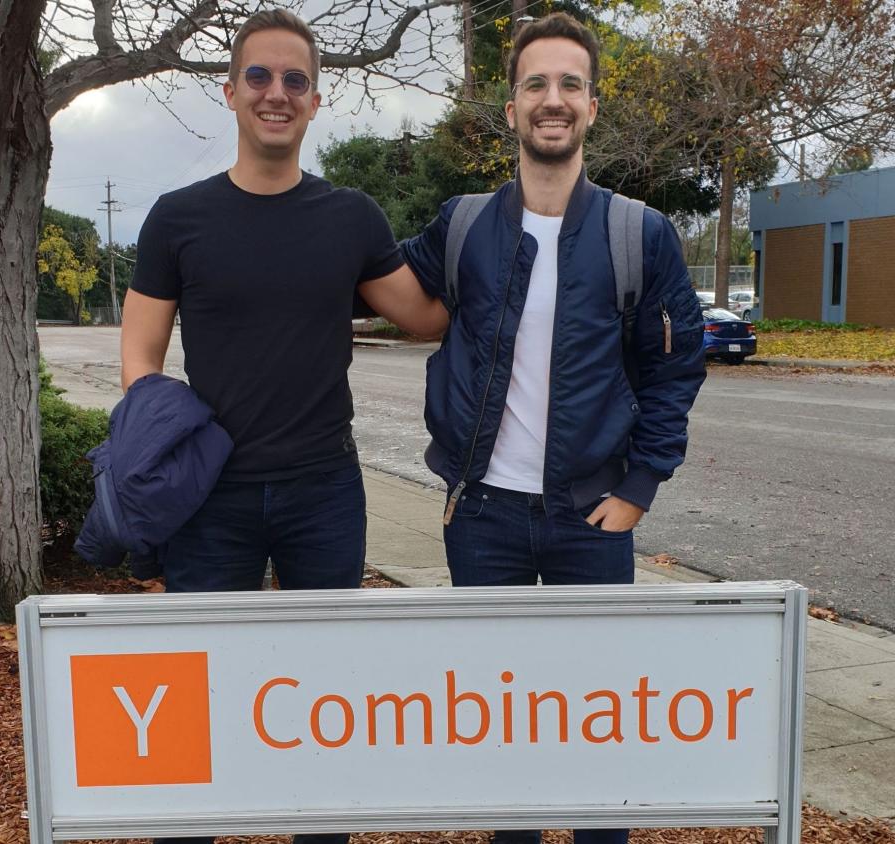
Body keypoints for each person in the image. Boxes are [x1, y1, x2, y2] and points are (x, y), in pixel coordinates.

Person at [120, 9, 447, 844]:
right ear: (230, 92)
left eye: (294, 80)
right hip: (210, 496)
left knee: (324, 702)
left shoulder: (352, 218)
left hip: (322, 492)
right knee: (201, 701)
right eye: (259, 77)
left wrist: (513, 243)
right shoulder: (176, 218)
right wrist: (157, 461)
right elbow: (140, 358)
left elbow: (425, 317)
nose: (276, 93)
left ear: (315, 100)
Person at [401, 13, 707, 844]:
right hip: (486, 524)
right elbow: (376, 280)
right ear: (510, 109)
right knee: (507, 744)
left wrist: (640, 486)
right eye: (536, 83)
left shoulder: (638, 233)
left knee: (597, 742)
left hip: (591, 521)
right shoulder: (463, 226)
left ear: (593, 107)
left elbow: (678, 366)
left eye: (570, 83)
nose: (553, 99)